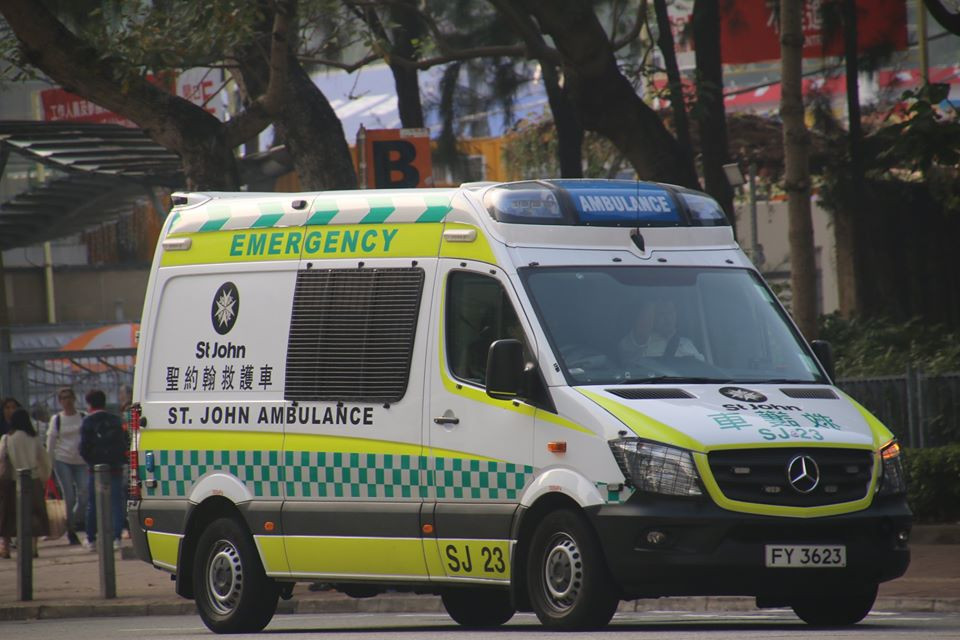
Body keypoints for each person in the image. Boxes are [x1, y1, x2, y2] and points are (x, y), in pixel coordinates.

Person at [0, 408, 52, 559]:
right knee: (34, 514)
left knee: (8, 515)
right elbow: (44, 460)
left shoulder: (7, 438)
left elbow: (1, 458)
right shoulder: (34, 439)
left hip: (12, 481)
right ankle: (33, 547)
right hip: (33, 480)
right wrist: (44, 478)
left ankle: (5, 548)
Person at [79, 389, 127, 551]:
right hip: (115, 467)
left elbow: (83, 447)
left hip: (96, 469)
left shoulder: (87, 421)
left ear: (89, 404)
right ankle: (116, 538)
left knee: (93, 504)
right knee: (116, 503)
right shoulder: (115, 420)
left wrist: (92, 462)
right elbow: (123, 442)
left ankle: (91, 539)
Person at [46, 387, 88, 545]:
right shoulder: (57, 419)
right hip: (62, 460)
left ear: (74, 398)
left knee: (84, 495)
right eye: (63, 398)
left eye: (69, 397)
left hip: (81, 461)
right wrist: (49, 464)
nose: (67, 401)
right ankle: (71, 530)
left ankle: (70, 521)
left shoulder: (83, 417)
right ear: (60, 401)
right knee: (69, 495)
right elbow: (51, 442)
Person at [618, 299, 703, 365]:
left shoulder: (687, 343)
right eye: (662, 313)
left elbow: (702, 369)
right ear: (652, 317)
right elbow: (642, 331)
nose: (667, 318)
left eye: (670, 312)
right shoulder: (639, 343)